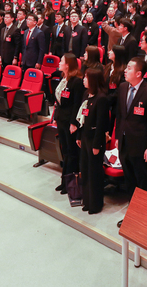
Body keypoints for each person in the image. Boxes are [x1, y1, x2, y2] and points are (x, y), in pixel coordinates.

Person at [114, 58, 147, 228]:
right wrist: (118, 137)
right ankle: (132, 213)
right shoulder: (122, 87)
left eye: (129, 68)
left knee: (142, 182)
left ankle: (144, 216)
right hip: (124, 143)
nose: (125, 71)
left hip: (140, 146)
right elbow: (120, 115)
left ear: (139, 73)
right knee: (129, 180)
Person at [77, 67, 110, 214]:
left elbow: (102, 124)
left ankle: (95, 204)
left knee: (94, 172)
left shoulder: (101, 98)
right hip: (85, 136)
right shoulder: (86, 94)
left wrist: (97, 145)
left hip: (95, 140)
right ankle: (87, 200)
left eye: (86, 77)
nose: (84, 79)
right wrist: (79, 136)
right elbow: (82, 117)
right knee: (84, 169)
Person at [53, 54, 85, 195]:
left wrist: (73, 123)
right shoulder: (64, 79)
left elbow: (77, 104)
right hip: (61, 119)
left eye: (62, 61)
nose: (59, 63)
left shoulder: (76, 82)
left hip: (69, 122)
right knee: (65, 151)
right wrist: (56, 117)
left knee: (72, 153)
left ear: (68, 65)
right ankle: (64, 181)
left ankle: (70, 184)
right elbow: (59, 102)